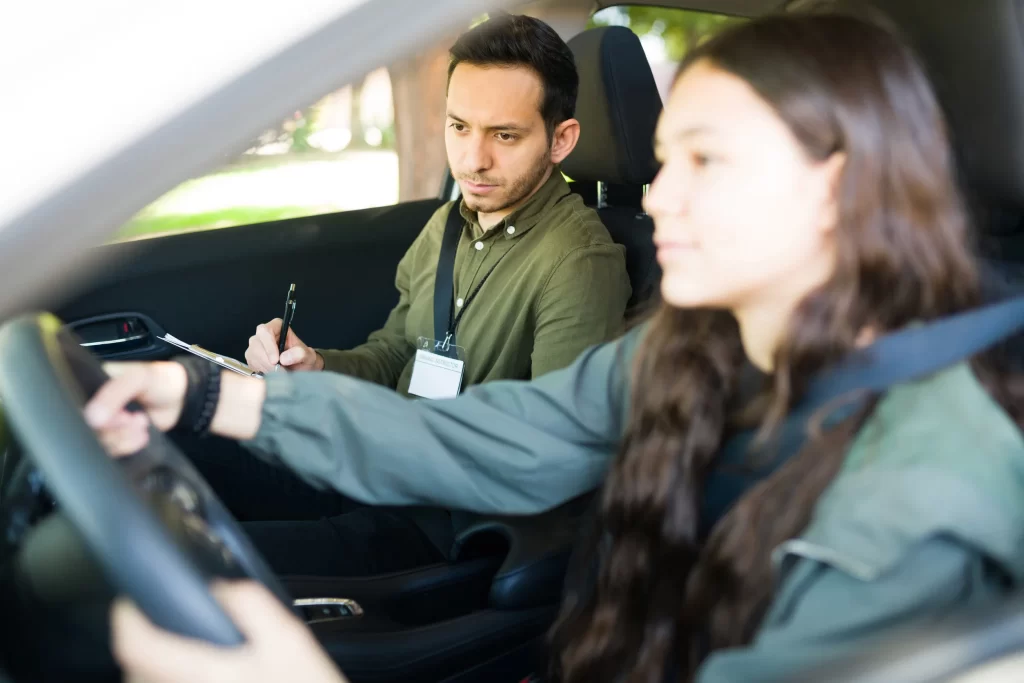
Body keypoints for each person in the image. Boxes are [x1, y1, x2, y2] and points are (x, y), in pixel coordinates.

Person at [92, 11, 1024, 683]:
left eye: (707, 161)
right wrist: (212, 395)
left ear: (834, 186)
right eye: (668, 158)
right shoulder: (694, 346)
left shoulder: (920, 502)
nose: (660, 197)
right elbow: (507, 430)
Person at [182, 11, 631, 544]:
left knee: (207, 557)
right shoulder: (447, 225)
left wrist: (381, 442)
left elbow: (551, 449)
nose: (473, 160)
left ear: (560, 141)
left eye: (505, 135)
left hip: (439, 525)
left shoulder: (579, 261)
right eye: (459, 127)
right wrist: (316, 366)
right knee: (183, 447)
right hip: (376, 471)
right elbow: (397, 353)